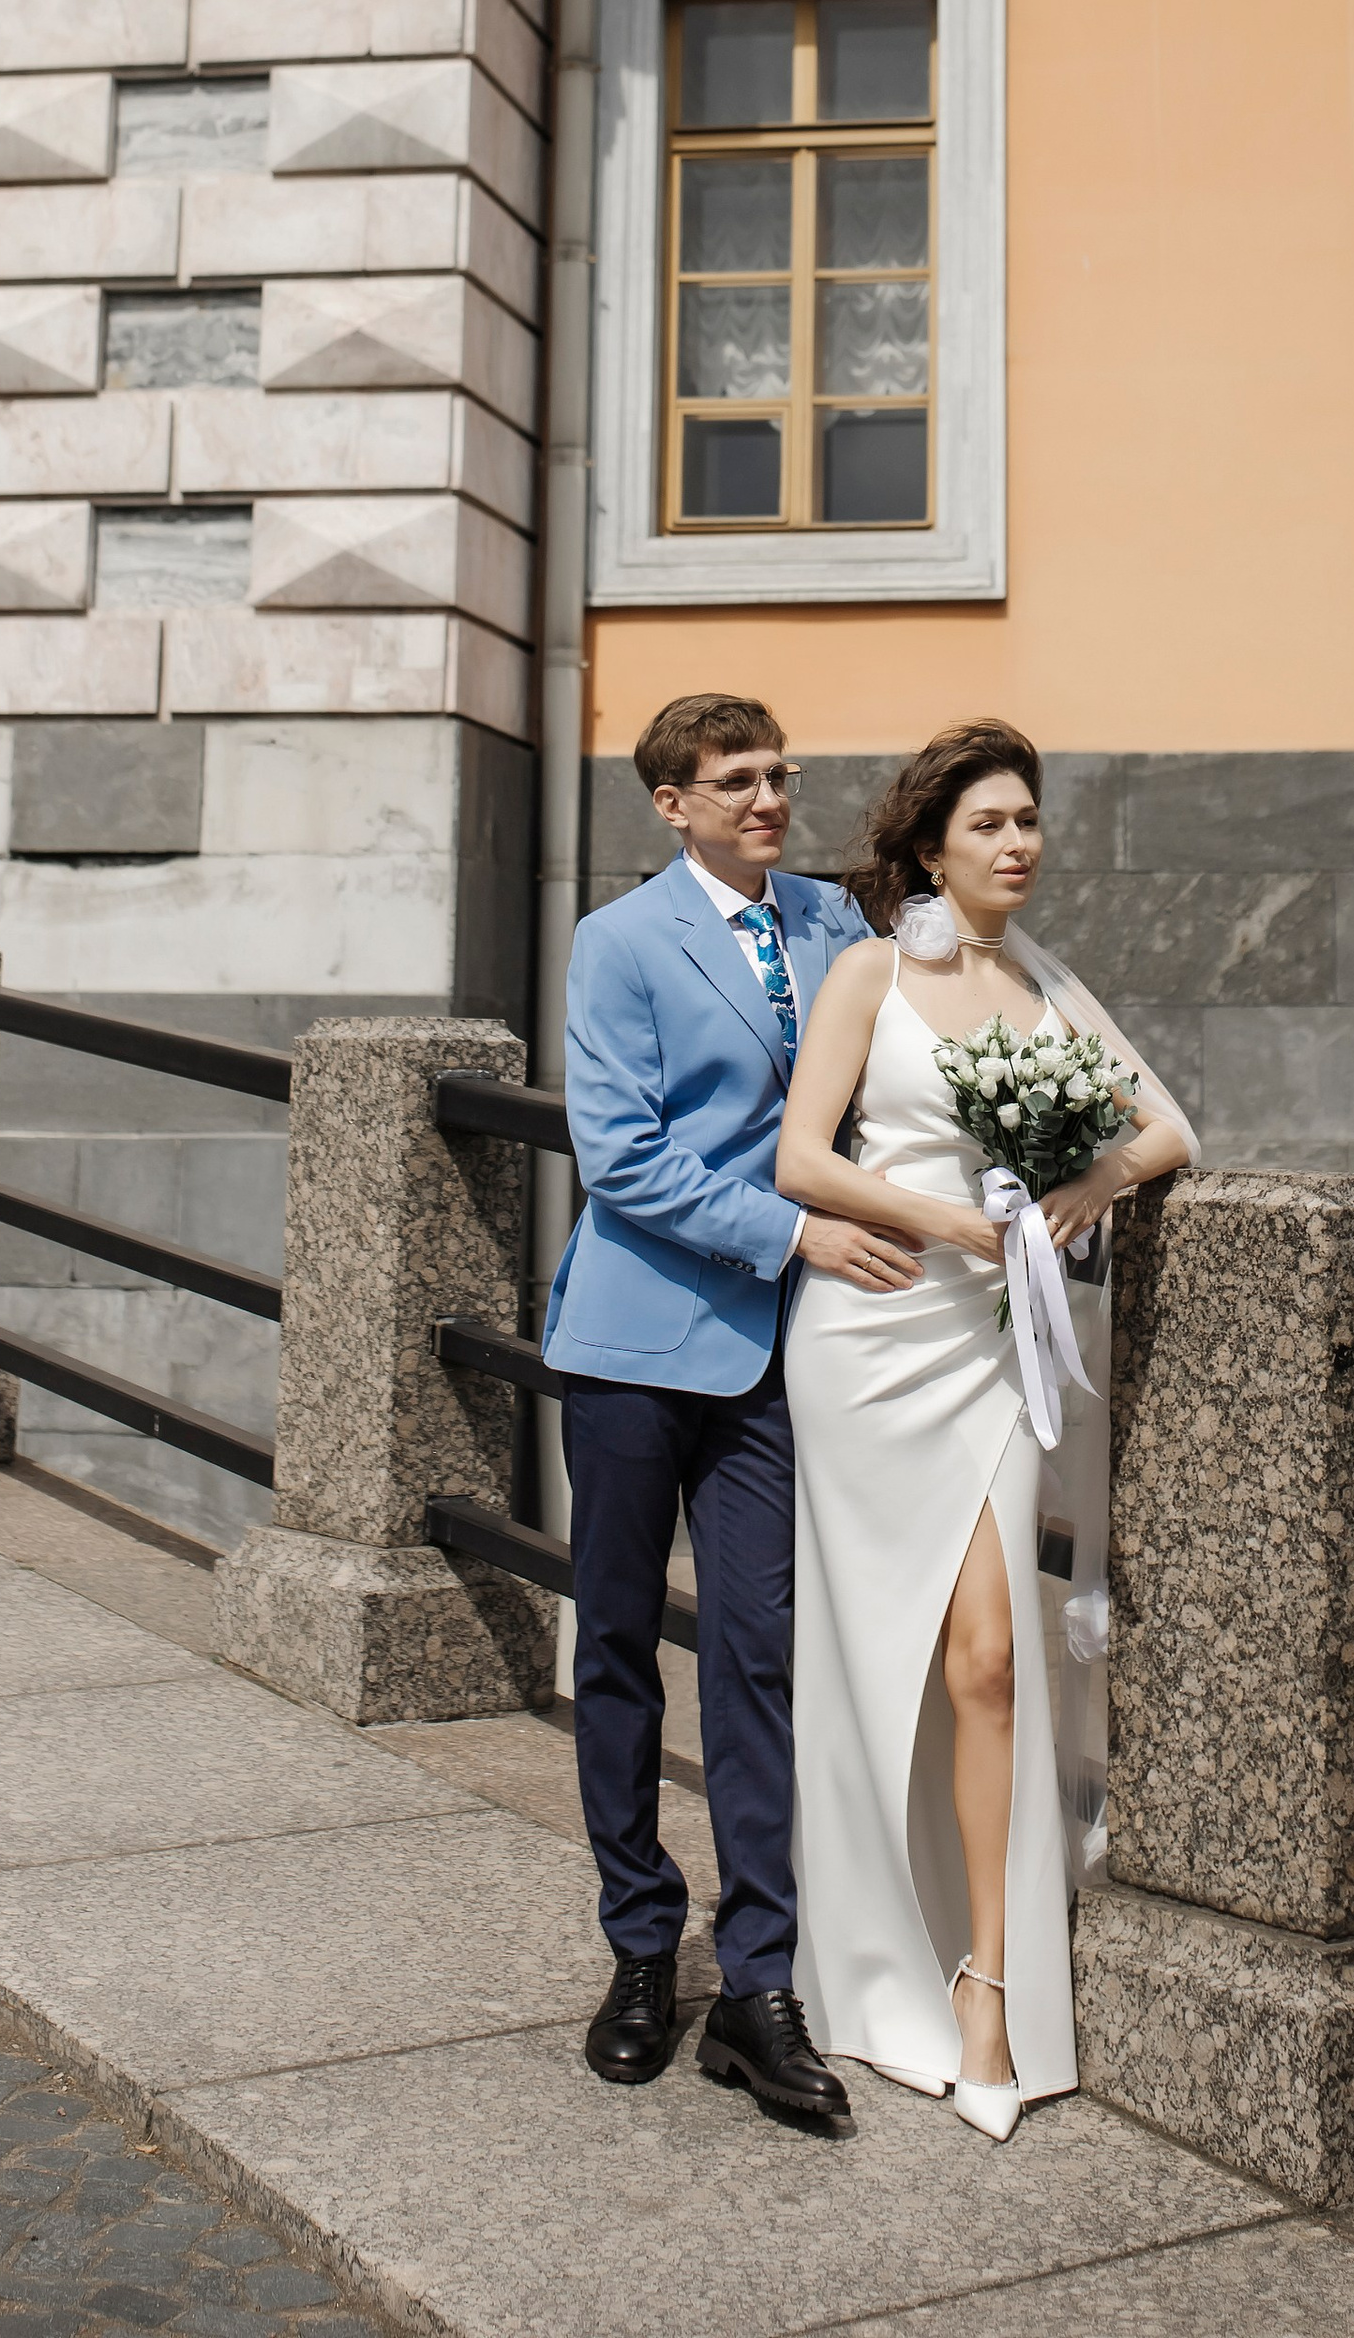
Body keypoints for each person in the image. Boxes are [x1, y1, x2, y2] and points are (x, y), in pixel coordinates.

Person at [773, 723, 1199, 2137]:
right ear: (933, 843)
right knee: (875, 1661)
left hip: (988, 1353)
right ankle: (865, 1958)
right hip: (869, 1343)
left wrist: (1075, 1199)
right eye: (993, 823)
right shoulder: (869, 972)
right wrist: (947, 1216)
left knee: (993, 1660)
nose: (1020, 842)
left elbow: (1170, 1133)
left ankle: (988, 1997)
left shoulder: (1039, 987)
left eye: (1031, 821)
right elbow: (802, 1157)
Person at [541, 691, 893, 2121]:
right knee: (617, 1649)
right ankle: (641, 1950)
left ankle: (757, 1981)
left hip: (774, 1365)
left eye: (781, 775)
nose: (769, 798)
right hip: (635, 1345)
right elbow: (619, 1156)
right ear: (672, 805)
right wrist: (791, 1234)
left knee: (760, 1656)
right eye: (736, 780)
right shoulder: (618, 943)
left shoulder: (837, 928)